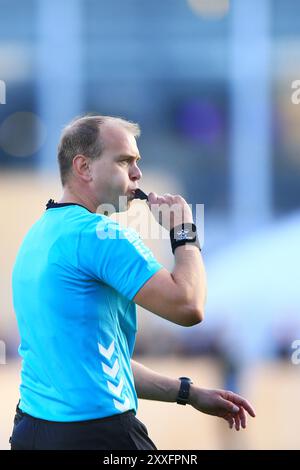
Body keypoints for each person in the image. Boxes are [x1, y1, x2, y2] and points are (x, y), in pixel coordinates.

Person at [10, 115, 255, 450]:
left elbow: (99, 361)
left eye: (137, 162)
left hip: (31, 431)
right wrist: (183, 232)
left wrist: (188, 393)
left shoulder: (38, 235)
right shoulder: (101, 234)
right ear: (84, 167)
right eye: (125, 161)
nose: (137, 174)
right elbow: (188, 306)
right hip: (97, 431)